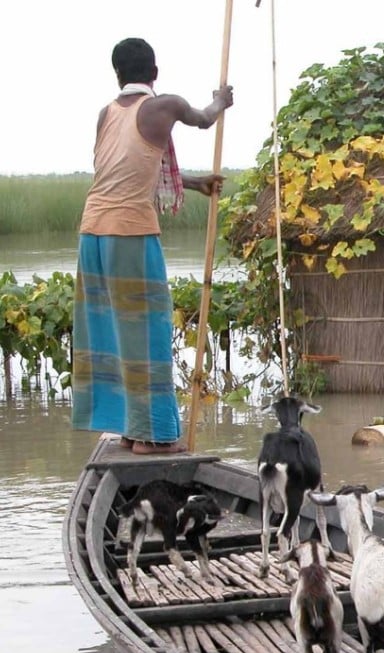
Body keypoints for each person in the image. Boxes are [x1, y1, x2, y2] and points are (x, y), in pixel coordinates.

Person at [72, 38, 234, 455]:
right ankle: (156, 435)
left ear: (117, 75)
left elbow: (129, 167)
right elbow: (203, 119)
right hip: (129, 231)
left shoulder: (106, 113)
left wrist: (195, 183)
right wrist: (221, 100)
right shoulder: (165, 105)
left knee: (114, 332)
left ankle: (131, 428)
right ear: (154, 73)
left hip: (93, 233)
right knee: (148, 330)